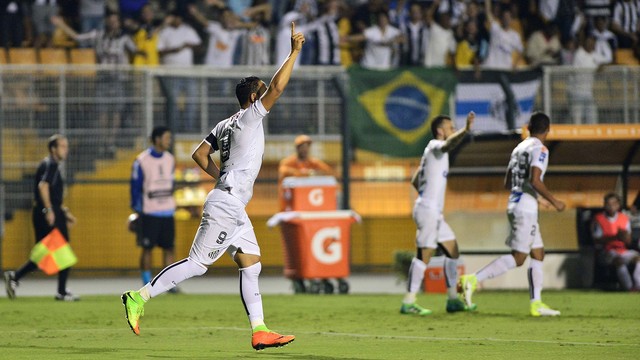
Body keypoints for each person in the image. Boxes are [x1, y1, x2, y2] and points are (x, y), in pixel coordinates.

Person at [121, 21, 305, 351]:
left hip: (231, 202)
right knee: (197, 264)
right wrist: (293, 52)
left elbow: (199, 153)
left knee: (252, 263)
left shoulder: (225, 123)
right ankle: (138, 296)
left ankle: (260, 329)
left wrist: (219, 176)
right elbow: (277, 88)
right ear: (253, 97)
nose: (266, 95)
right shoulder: (250, 117)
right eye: (260, 92)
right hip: (227, 203)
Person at [459, 112, 566, 317]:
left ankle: (536, 303)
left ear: (528, 127)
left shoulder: (519, 148)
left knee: (538, 252)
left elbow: (509, 181)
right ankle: (472, 280)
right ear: (548, 129)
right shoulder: (540, 149)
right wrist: (555, 201)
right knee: (519, 258)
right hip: (525, 209)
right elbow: (535, 180)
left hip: (518, 203)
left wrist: (536, 198)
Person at [399, 112, 476, 316]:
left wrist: (427, 191)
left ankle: (452, 300)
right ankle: (408, 302)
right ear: (441, 131)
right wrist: (466, 130)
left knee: (452, 250)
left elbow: (415, 180)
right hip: (428, 211)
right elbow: (447, 144)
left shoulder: (432, 155)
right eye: (450, 128)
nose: (452, 131)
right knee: (424, 255)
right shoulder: (435, 145)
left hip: (432, 211)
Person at [3, 134, 79, 301]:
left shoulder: (51, 165)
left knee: (45, 253)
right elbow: (43, 186)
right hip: (47, 214)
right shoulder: (50, 164)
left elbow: (51, 194)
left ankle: (15, 277)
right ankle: (61, 291)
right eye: (62, 146)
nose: (66, 150)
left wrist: (64, 213)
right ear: (53, 149)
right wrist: (50, 210)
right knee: (62, 251)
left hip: (51, 212)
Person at [130, 126, 177, 288]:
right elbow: (135, 187)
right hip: (149, 212)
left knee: (169, 248)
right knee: (147, 248)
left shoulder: (170, 158)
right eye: (166, 138)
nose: (168, 141)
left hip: (168, 211)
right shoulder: (141, 161)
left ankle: (169, 284)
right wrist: (137, 211)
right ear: (157, 139)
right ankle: (146, 283)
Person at [592, 193, 640, 291]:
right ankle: (629, 288)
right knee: (619, 260)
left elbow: (628, 241)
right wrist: (615, 237)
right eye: (608, 204)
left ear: (618, 205)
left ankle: (638, 285)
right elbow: (597, 240)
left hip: (622, 250)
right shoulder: (599, 218)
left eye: (614, 204)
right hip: (605, 251)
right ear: (604, 205)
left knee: (638, 258)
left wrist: (625, 237)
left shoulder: (624, 218)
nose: (611, 206)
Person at [277, 134, 335, 211]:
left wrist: (315, 173)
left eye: (307, 146)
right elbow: (283, 170)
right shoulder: (289, 162)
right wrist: (304, 173)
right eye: (302, 147)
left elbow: (328, 171)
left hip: (308, 200)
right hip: (290, 201)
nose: (305, 149)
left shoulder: (312, 162)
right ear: (297, 148)